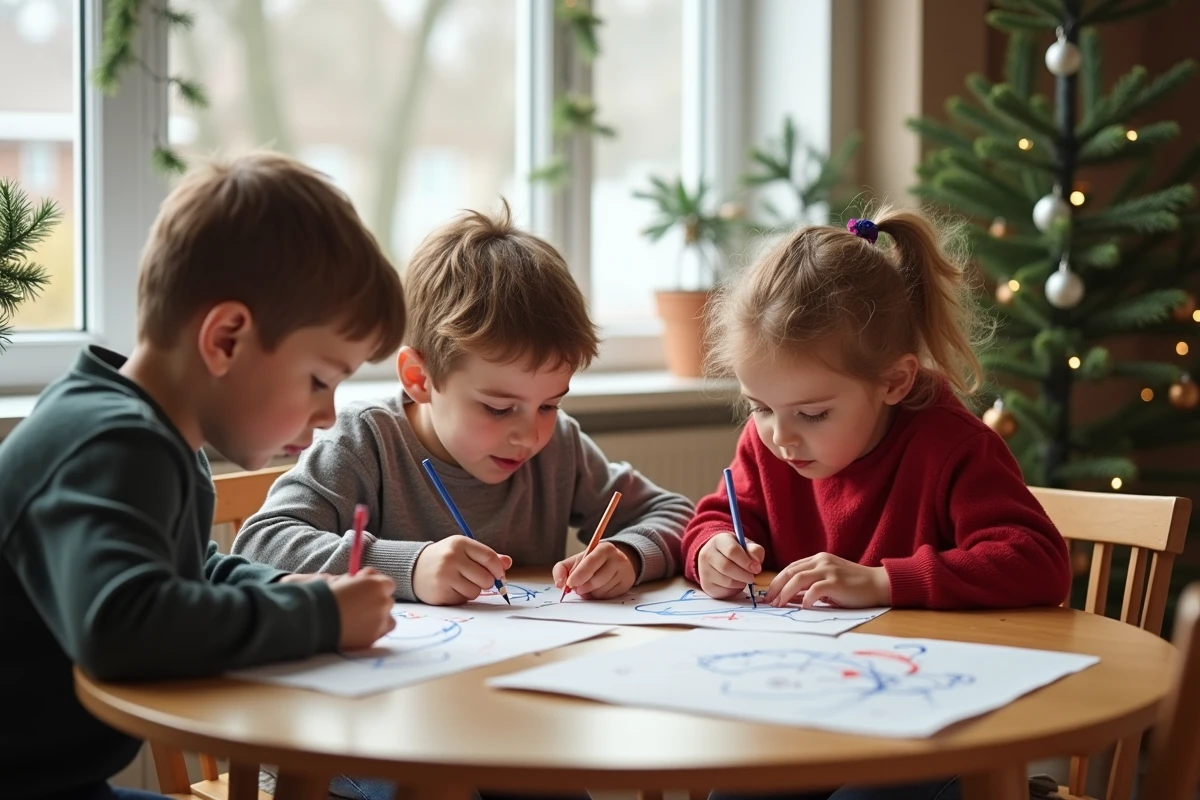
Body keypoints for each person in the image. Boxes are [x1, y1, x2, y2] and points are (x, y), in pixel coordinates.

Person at [0, 152, 404, 800]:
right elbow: (124, 624)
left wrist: (283, 585)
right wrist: (316, 616)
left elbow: (182, 571)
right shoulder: (113, 443)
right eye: (320, 380)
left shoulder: (150, 433)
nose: (329, 415)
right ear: (226, 339)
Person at [683, 209, 1071, 800]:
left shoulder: (952, 446)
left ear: (893, 381)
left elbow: (1037, 560)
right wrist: (711, 549)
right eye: (759, 407)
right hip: (813, 708)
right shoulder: (772, 447)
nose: (780, 436)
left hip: (938, 722)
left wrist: (883, 581)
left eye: (812, 414)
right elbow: (715, 516)